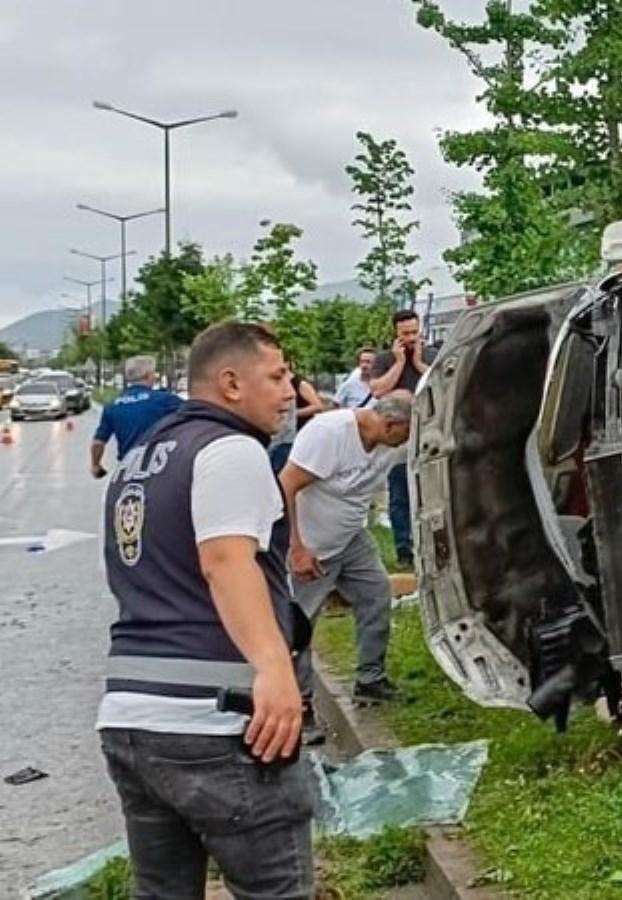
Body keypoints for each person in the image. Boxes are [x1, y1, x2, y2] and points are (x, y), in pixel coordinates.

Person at [97, 322, 313, 896]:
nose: (290, 389)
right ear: (231, 382)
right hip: (216, 720)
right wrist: (274, 667)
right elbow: (224, 560)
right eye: (277, 375)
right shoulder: (230, 450)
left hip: (130, 716)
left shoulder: (142, 455)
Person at [279, 395, 413, 736]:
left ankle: (371, 681)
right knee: (299, 627)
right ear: (389, 425)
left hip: (351, 537)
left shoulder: (388, 441)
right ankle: (299, 709)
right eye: (406, 432)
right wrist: (296, 547)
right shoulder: (330, 434)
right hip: (311, 543)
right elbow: (286, 484)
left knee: (376, 594)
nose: (409, 440)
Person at [369, 310, 436, 570]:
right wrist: (399, 363)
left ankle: (429, 547)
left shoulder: (431, 355)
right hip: (398, 435)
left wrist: (419, 363)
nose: (410, 338)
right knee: (399, 494)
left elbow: (441, 381)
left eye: (413, 332)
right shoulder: (384, 359)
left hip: (429, 430)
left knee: (429, 492)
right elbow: (377, 389)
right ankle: (403, 548)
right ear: (395, 334)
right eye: (404, 333)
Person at [90, 355, 182, 479]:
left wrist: (96, 465)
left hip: (128, 470)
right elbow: (194, 415)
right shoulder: (165, 400)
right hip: (159, 468)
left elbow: (98, 442)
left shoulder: (112, 406)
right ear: (149, 375)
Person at [268, 371, 324, 473]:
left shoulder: (300, 384)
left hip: (300, 432)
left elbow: (318, 406)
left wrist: (293, 414)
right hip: (284, 434)